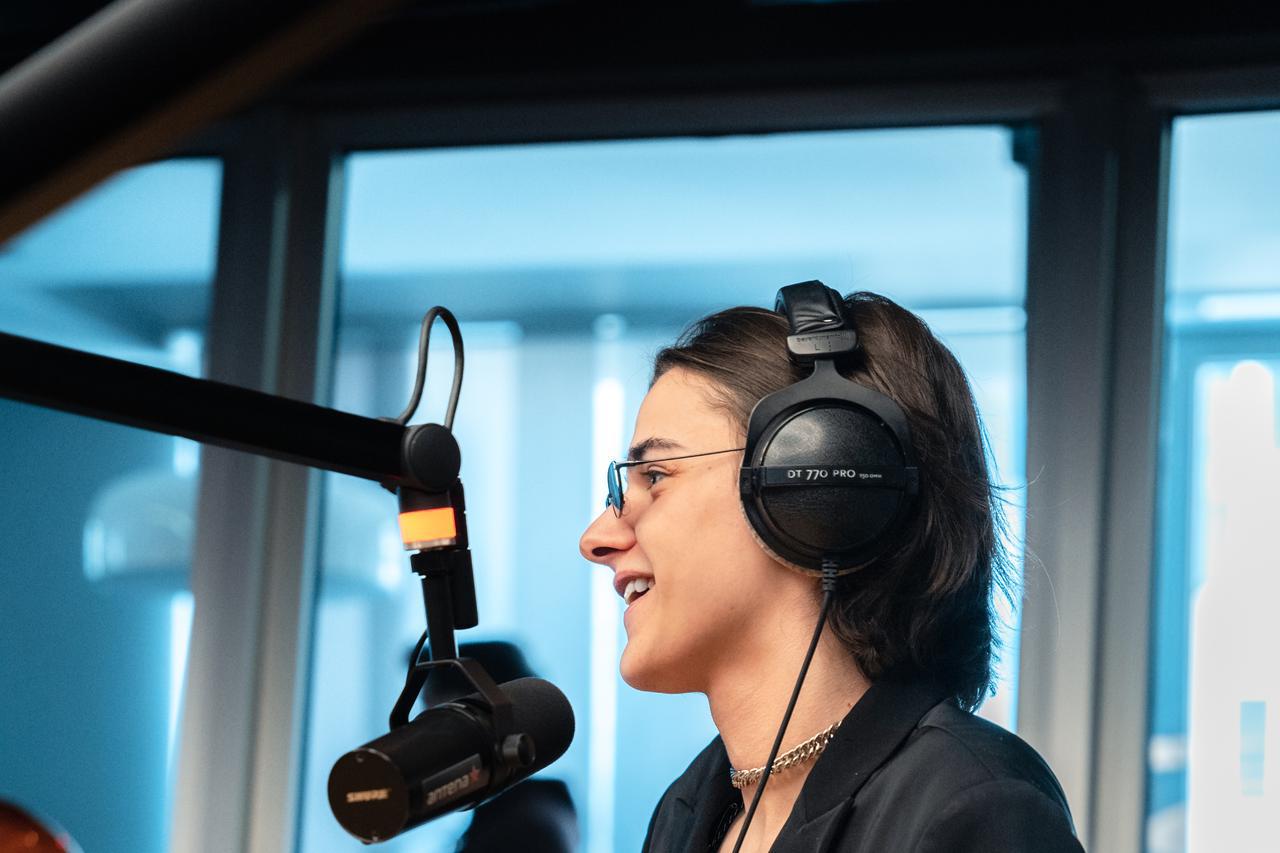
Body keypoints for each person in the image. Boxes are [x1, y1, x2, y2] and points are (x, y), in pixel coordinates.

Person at [578, 284, 1084, 853]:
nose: (596, 539)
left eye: (655, 477)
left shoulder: (971, 806)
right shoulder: (688, 809)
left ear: (815, 488)